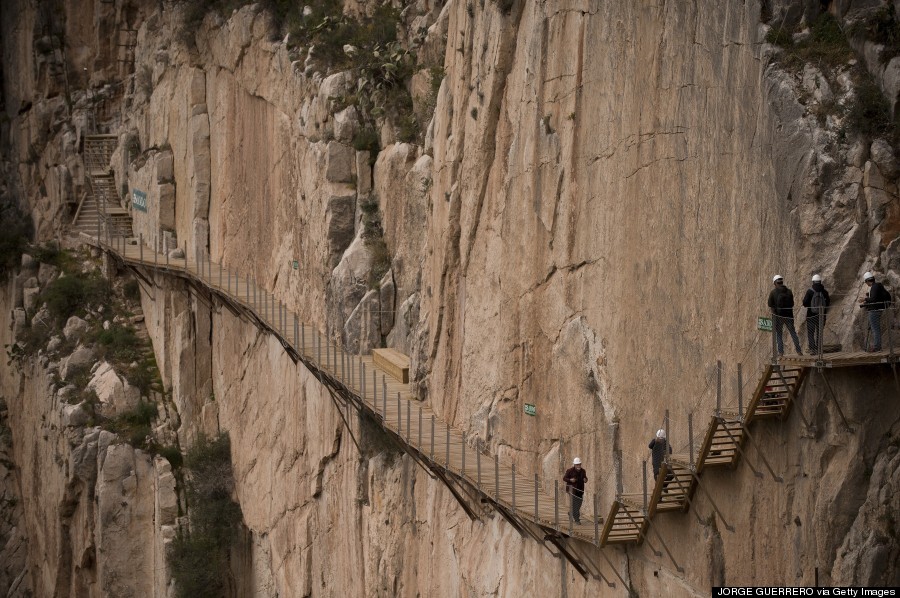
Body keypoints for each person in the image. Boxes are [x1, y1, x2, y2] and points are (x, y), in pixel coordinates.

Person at [768, 274, 802, 356]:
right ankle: (799, 351)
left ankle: (781, 352)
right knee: (793, 333)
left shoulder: (773, 292)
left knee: (779, 334)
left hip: (778, 316)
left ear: (775, 283)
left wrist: (775, 313)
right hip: (789, 316)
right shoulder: (789, 291)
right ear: (782, 282)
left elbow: (770, 304)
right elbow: (792, 304)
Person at [860, 271, 893, 351]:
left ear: (867, 281)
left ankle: (877, 347)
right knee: (875, 329)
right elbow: (876, 298)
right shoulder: (878, 286)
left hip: (874, 311)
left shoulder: (874, 287)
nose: (866, 283)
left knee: (875, 329)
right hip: (878, 310)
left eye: (866, 282)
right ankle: (877, 346)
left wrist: (865, 299)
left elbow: (874, 299)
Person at [802, 274, 830, 353]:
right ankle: (819, 349)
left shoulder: (810, 291)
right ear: (820, 281)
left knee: (811, 332)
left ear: (813, 282)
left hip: (811, 315)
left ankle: (812, 349)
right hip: (821, 315)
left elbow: (805, 303)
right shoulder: (824, 292)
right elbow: (827, 303)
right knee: (819, 332)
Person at [563, 457, 587, 524]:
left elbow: (585, 478)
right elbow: (564, 478)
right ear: (574, 465)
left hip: (580, 490)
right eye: (577, 464)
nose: (578, 466)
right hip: (572, 490)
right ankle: (577, 519)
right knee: (575, 504)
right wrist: (570, 480)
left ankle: (570, 513)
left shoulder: (583, 471)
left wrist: (585, 480)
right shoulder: (570, 471)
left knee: (579, 504)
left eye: (579, 464)